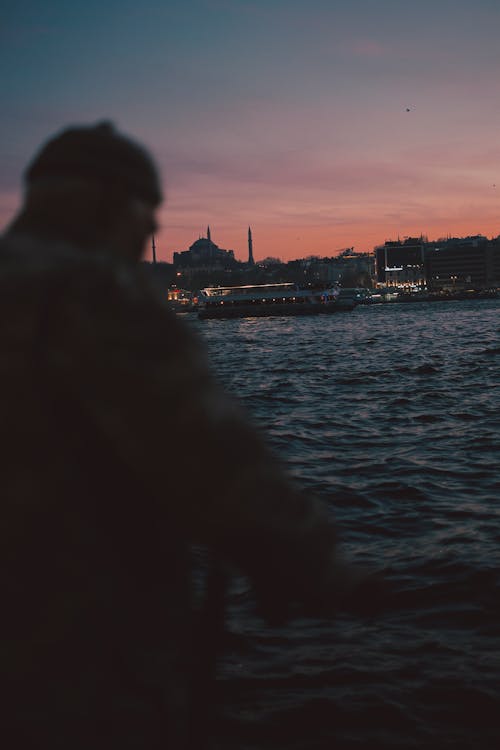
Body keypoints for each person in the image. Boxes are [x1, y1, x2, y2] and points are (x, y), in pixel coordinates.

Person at [1, 122, 374, 749]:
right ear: (107, 203)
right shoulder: (92, 293)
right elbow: (212, 460)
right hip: (67, 643)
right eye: (145, 214)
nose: (149, 233)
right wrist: (317, 567)